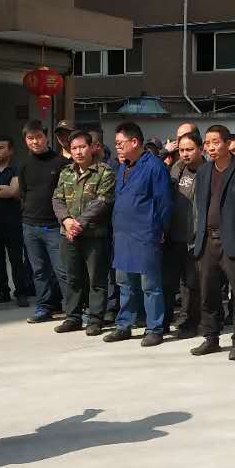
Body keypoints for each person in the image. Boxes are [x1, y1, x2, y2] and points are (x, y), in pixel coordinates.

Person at [192, 124, 235, 360]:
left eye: (215, 142)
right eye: (207, 143)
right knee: (208, 292)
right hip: (207, 240)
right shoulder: (204, 171)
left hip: (234, 240)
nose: (210, 147)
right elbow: (200, 206)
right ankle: (211, 337)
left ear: (227, 143)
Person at [105, 121, 173, 347]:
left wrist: (161, 229)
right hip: (123, 235)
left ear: (134, 142)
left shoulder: (154, 166)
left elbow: (164, 203)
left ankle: (154, 328)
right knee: (124, 283)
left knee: (150, 285)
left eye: (120, 143)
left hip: (146, 234)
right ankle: (124, 324)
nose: (117, 147)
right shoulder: (123, 166)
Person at [52, 130, 116, 335]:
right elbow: (57, 199)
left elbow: (103, 201)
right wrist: (66, 221)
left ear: (91, 148)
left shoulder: (104, 172)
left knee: (96, 279)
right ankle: (73, 317)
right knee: (72, 278)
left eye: (82, 147)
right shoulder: (66, 172)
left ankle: (96, 319)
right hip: (69, 235)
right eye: (74, 148)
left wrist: (78, 223)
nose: (78, 152)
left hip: (94, 235)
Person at [18, 120, 65, 325]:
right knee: (39, 271)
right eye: (30, 138)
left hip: (55, 226)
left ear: (46, 137)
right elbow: (23, 193)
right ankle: (44, 307)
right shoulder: (24, 165)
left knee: (62, 270)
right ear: (25, 140)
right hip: (30, 226)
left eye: (38, 137)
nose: (35, 141)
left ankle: (73, 308)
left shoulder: (61, 163)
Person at [164, 130, 204, 337]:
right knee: (170, 281)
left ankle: (192, 322)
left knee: (192, 284)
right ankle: (168, 320)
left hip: (196, 237)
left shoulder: (208, 171)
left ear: (200, 149)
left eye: (190, 149)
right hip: (174, 235)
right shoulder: (177, 168)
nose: (185, 154)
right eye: (181, 150)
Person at [0, 135, 33, 308]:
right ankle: (3, 292)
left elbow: (14, 192)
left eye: (1, 148)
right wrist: (2, 189)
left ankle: (21, 292)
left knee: (16, 260)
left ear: (11, 150)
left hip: (13, 221)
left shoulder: (16, 169)